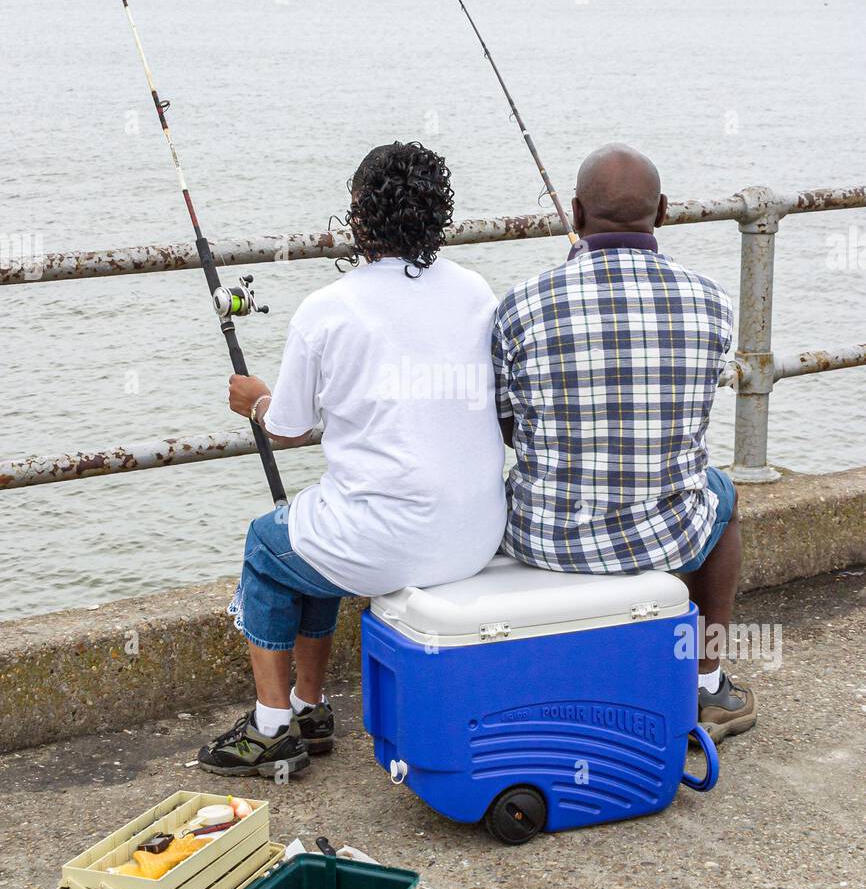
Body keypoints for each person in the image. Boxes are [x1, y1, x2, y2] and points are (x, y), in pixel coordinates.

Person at [198, 141, 506, 777]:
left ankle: (270, 725)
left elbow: (287, 427)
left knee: (267, 543)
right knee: (310, 537)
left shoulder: (327, 308)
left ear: (360, 217)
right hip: (477, 533)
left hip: (398, 539)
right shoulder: (475, 290)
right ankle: (309, 707)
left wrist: (255, 401)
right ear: (436, 215)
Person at [492, 143, 756, 744]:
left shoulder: (520, 304)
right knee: (722, 496)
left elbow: (508, 428)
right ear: (662, 212)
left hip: (546, 536)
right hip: (665, 535)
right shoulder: (711, 301)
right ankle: (707, 681)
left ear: (577, 215)